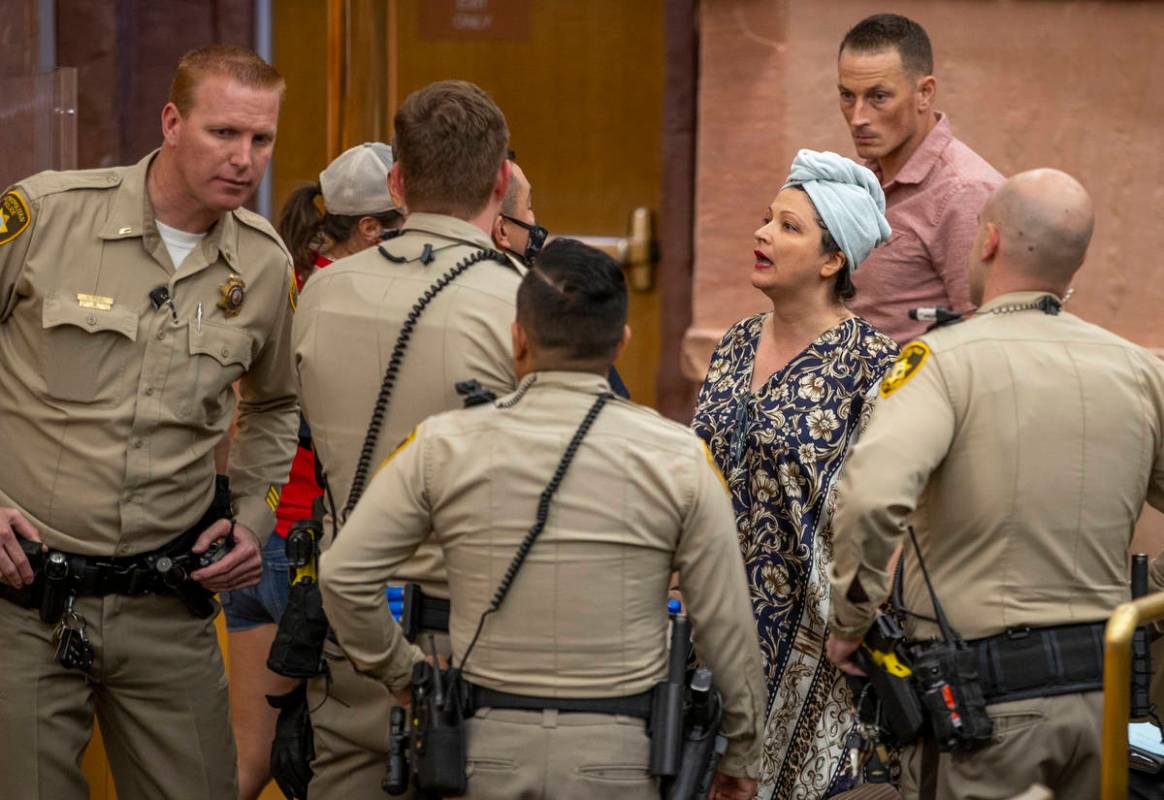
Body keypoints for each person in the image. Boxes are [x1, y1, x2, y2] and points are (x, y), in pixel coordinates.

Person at [319, 237, 767, 800]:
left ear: (518, 337)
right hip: (622, 758)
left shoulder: (443, 446)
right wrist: (743, 750)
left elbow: (341, 577)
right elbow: (725, 622)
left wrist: (406, 675)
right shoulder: (678, 457)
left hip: (481, 755)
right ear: (621, 343)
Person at [0, 44, 298, 800]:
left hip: (168, 606)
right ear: (171, 121)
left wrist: (255, 520)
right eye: (223, 133)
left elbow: (275, 404)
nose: (244, 158)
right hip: (27, 597)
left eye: (260, 139)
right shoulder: (47, 215)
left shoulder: (262, 267)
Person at [826, 169, 1164, 800]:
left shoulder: (942, 362)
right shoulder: (1141, 370)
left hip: (984, 709)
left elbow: (872, 497)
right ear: (1078, 263)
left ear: (986, 242)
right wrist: (1149, 612)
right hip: (1106, 699)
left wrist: (851, 618)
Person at [291, 79, 522, 798]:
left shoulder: (321, 292)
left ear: (397, 180)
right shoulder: (520, 300)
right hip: (472, 645)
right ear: (502, 180)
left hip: (348, 629)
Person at [691, 149, 898, 799]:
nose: (762, 234)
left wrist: (857, 621)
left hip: (818, 648)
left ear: (833, 260)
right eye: (764, 220)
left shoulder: (873, 366)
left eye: (788, 226)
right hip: (716, 629)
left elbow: (891, 512)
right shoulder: (735, 343)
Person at [221, 142, 402, 800]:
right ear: (372, 230)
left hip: (260, 531)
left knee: (247, 762)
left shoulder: (289, 284)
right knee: (345, 762)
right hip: (313, 548)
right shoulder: (355, 301)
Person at [837, 13, 1003, 343]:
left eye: (878, 97)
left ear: (925, 93)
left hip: (918, 390)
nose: (857, 118)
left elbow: (986, 338)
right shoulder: (861, 177)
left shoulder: (966, 191)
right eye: (846, 95)